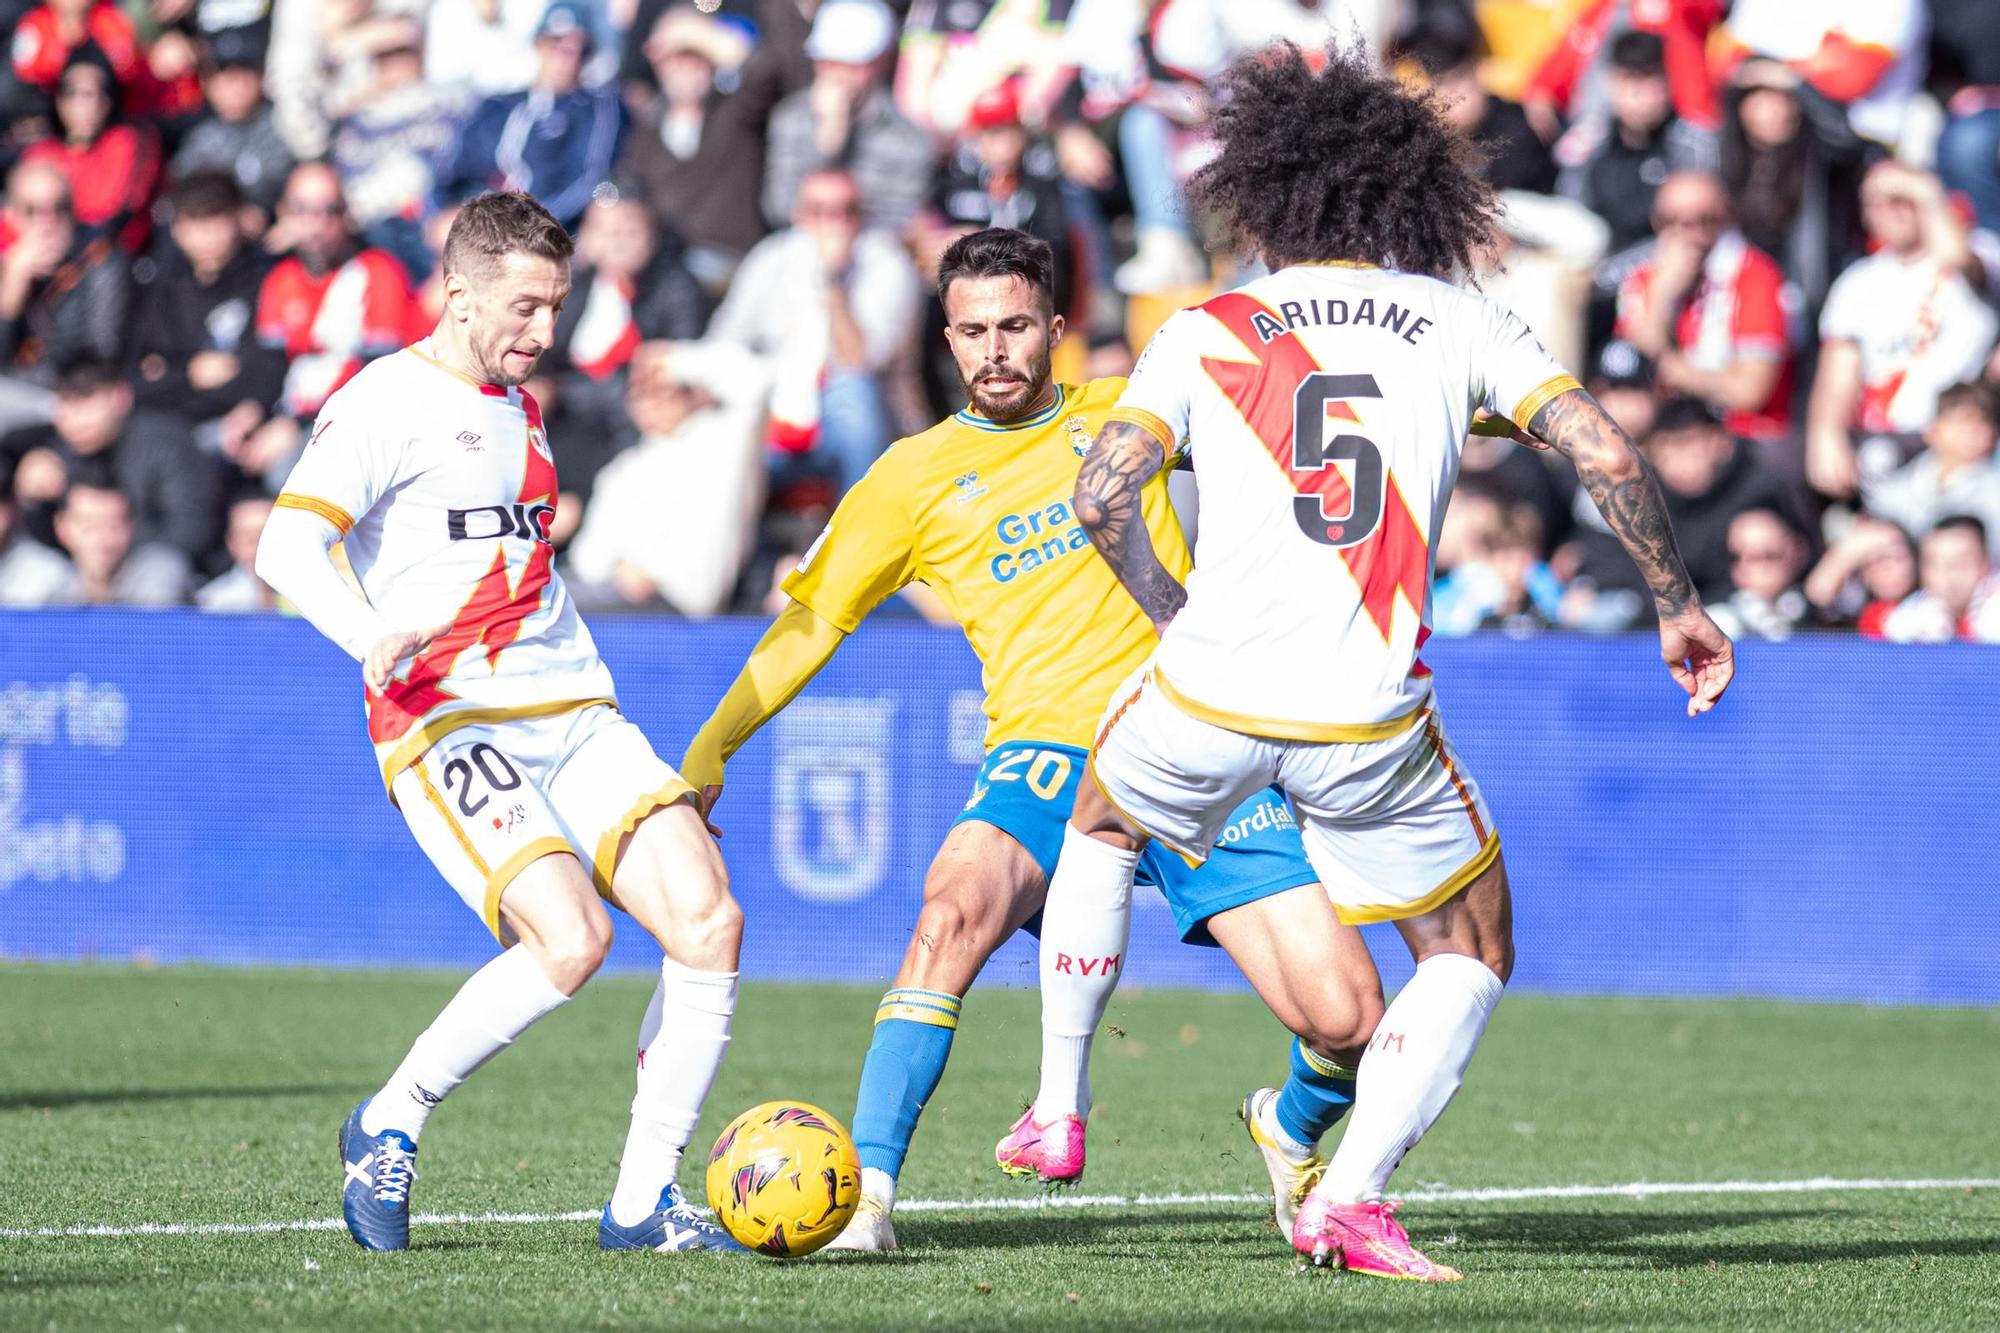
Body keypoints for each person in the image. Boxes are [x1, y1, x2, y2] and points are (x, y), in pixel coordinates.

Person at [1022, 45, 1733, 1281]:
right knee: (1467, 951)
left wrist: (1171, 609)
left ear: (1264, 192)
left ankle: (1057, 1106)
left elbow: (1098, 496)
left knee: (1098, 824)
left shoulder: (1205, 329)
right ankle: (1348, 1194)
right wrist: (1675, 605)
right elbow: (1612, 458)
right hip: (1362, 718)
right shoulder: (1460, 322)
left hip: (1205, 691)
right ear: (1410, 194)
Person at [682, 228, 1376, 1252]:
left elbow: (1309, 409)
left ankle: (1288, 1124)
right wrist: (712, 749)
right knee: (950, 907)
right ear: (946, 337)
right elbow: (810, 625)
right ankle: (866, 1196)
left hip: (1197, 743)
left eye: (1014, 326)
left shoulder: (1128, 412)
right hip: (1043, 755)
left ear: (1055, 328)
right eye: (971, 331)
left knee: (1344, 1018)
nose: (993, 350)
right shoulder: (911, 475)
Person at [252, 190, 747, 1256]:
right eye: (525, 307)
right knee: (571, 938)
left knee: (709, 922)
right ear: (456, 292)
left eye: (556, 307)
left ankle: (639, 1204)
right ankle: (391, 1117)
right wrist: (366, 632)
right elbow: (284, 550)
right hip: (445, 716)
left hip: (574, 706)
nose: (543, 331)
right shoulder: (384, 399)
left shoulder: (523, 404)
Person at [707, 166, 921, 494]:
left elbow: (859, 360)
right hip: (774, 412)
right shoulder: (772, 258)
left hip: (865, 424)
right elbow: (724, 340)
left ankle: (862, 537)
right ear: (799, 215)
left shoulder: (885, 263)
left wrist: (832, 280)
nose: (833, 224)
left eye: (844, 212)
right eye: (819, 211)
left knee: (852, 390)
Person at [1805, 165, 1997, 502]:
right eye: (1874, 203)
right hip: (1885, 442)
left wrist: (1926, 192)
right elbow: (1839, 369)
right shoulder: (1857, 282)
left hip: (1960, 435)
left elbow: (1958, 257)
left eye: (1899, 199)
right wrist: (1826, 434)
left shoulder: (1980, 251)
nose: (1889, 211)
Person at [1614, 169, 1796, 445]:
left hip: (1743, 439)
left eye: (1703, 220)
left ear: (1726, 217)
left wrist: (1669, 369)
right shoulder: (1645, 278)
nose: (1688, 234)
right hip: (1670, 439)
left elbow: (1749, 392)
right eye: (1671, 221)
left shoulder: (1757, 276)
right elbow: (1632, 372)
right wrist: (1661, 295)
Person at [128, 172, 285, 451]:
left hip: (237, 428)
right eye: (197, 225)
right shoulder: (162, 287)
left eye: (217, 223)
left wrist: (252, 404)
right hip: (168, 424)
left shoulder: (266, 281)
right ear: (176, 229)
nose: (208, 238)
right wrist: (189, 372)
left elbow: (268, 367)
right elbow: (140, 378)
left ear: (238, 220)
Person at [436, 1, 626, 232]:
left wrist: (530, 224)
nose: (567, 54)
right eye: (556, 42)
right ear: (539, 43)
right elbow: (453, 171)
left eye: (579, 47)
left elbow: (591, 179)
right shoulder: (497, 106)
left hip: (551, 231)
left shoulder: (597, 107)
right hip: (484, 227)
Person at [762, 0, 934, 234]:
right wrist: (826, 144)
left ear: (881, 61)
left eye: (852, 64)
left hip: (871, 258)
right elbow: (781, 209)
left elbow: (898, 225)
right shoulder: (790, 118)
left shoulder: (908, 139)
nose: (838, 75)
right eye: (829, 62)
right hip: (801, 248)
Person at [47, 480, 191, 604]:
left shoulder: (160, 571)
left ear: (131, 525)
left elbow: (156, 630)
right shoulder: (59, 592)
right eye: (89, 526)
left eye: (114, 526)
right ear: (62, 527)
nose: (103, 539)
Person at [1875, 515, 1996, 643]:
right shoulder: (1908, 616)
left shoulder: (1993, 608)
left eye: (1961, 564)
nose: (1949, 576)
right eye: (1935, 564)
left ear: (1986, 564)